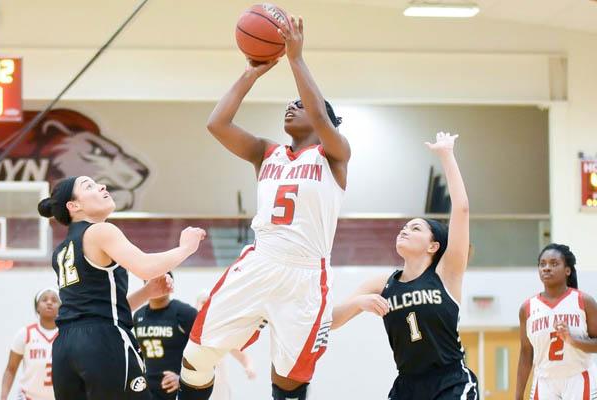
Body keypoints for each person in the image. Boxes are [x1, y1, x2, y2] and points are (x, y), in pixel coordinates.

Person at [179, 15, 349, 400]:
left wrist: (295, 59)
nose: (291, 107)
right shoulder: (266, 153)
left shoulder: (334, 154)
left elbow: (320, 115)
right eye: (289, 104)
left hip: (305, 276)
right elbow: (217, 123)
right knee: (195, 358)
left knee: (289, 380)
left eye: (299, 105)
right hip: (260, 261)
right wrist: (250, 74)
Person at [331, 132, 478, 399]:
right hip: (408, 385)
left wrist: (446, 155)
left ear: (433, 246)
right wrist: (357, 303)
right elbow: (330, 321)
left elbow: (462, 209)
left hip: (450, 380)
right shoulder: (381, 284)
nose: (404, 230)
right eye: (404, 226)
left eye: (415, 228)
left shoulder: (447, 273)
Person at [37, 175, 206, 399]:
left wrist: (147, 293)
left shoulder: (61, 250)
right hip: (103, 340)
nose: (102, 186)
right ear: (74, 206)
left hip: (65, 347)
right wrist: (186, 248)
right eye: (89, 186)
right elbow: (146, 267)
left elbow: (97, 306)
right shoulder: (101, 231)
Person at [516, 244, 597, 400]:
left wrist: (572, 340)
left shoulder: (584, 301)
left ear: (567, 270)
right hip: (544, 382)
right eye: (542, 264)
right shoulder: (527, 308)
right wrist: (518, 396)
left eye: (554, 263)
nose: (546, 268)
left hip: (578, 378)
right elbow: (526, 354)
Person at [133, 272, 199, 400]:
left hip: (177, 388)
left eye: (161, 281)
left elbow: (202, 352)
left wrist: (183, 379)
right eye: (153, 282)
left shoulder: (186, 313)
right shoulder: (138, 316)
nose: (157, 286)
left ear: (170, 285)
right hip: (147, 389)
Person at [0, 288, 61, 400]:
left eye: (54, 300)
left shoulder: (66, 335)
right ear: (37, 307)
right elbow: (11, 369)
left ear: (61, 307)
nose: (49, 302)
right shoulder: (25, 334)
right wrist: (3, 396)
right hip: (28, 397)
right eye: (44, 299)